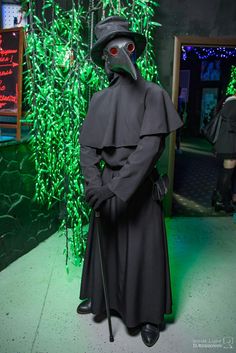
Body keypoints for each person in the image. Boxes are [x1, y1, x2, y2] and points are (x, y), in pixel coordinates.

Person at [76, 16, 183, 347]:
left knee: (143, 253)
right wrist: (94, 185)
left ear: (135, 52)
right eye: (113, 47)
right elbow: (88, 149)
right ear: (106, 57)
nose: (121, 53)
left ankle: (148, 314)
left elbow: (150, 149)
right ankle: (101, 297)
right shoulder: (98, 100)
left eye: (128, 46)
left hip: (136, 189)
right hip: (107, 187)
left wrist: (114, 187)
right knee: (105, 245)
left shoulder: (153, 93)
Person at [212, 89, 236, 213]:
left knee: (224, 172)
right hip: (230, 143)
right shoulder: (233, 103)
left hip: (225, 142)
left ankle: (217, 198)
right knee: (227, 173)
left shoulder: (227, 100)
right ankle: (221, 201)